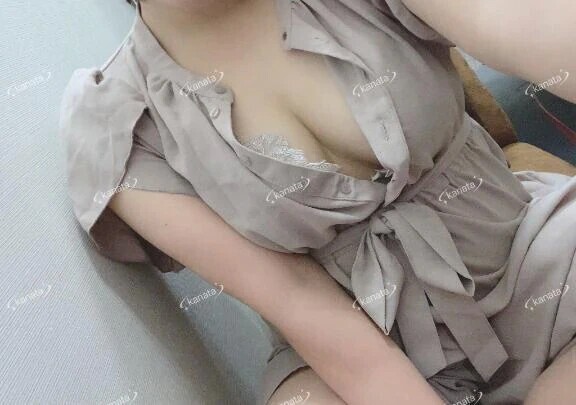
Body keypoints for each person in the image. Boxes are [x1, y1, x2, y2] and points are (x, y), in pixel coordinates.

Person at [59, 0, 576, 404]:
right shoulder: (117, 127)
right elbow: (299, 303)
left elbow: (529, 28)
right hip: (358, 348)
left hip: (531, 256)